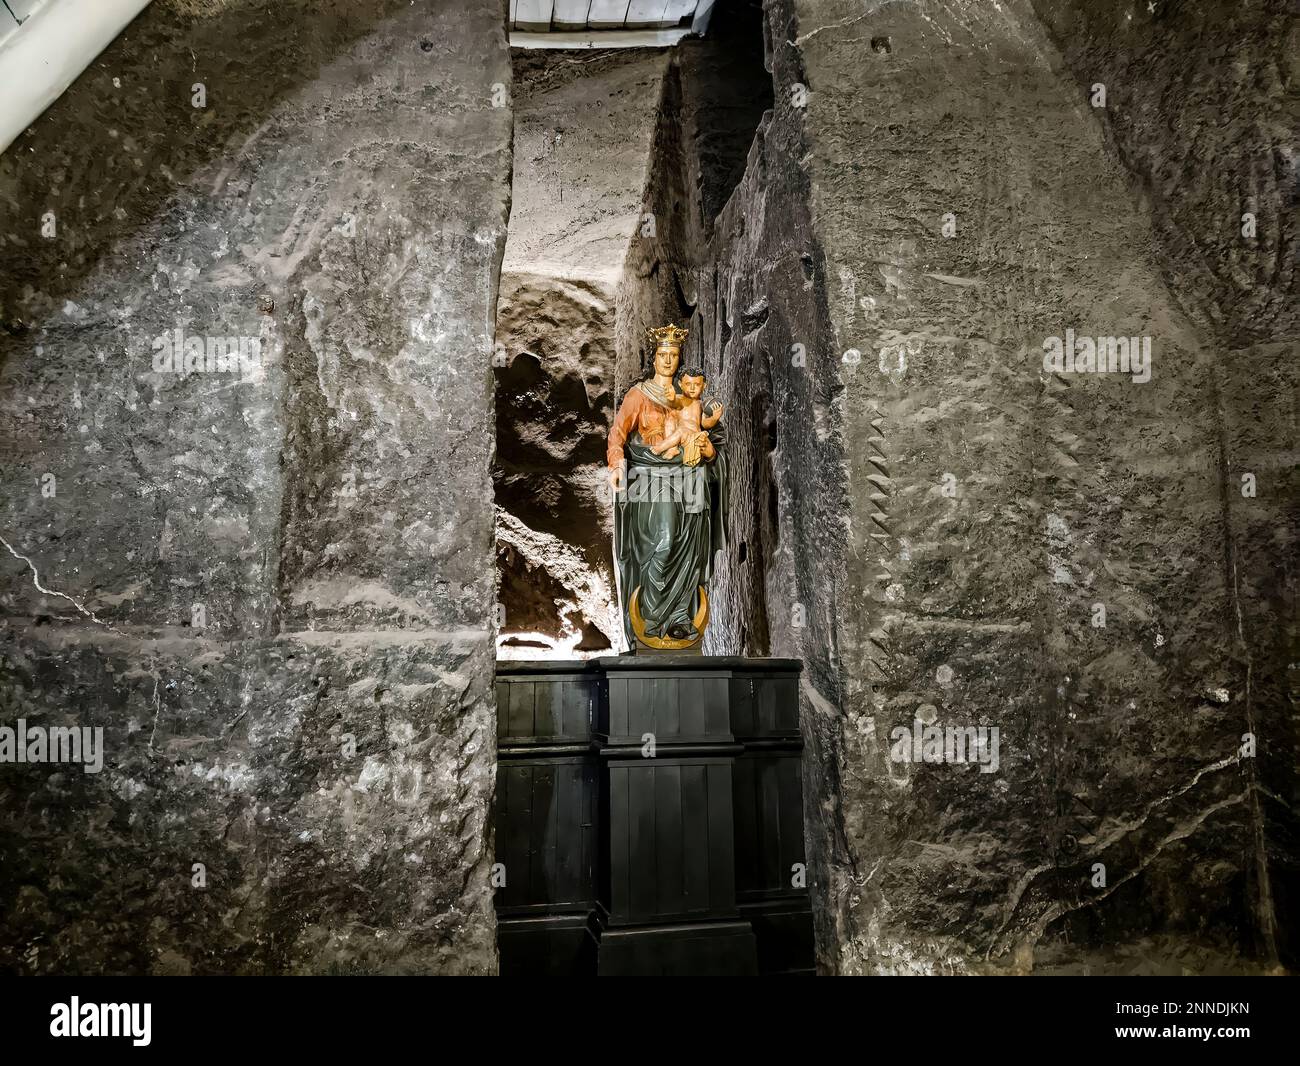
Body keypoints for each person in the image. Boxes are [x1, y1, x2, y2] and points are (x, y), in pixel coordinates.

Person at [607, 325, 727, 648]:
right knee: (664, 539)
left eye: (674, 356)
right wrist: (617, 464)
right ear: (654, 358)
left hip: (685, 476)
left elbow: (714, 443)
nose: (668, 361)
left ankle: (677, 620)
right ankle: (651, 618)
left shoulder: (687, 398)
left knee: (685, 546)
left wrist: (709, 452)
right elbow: (618, 434)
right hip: (650, 478)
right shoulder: (638, 395)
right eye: (663, 355)